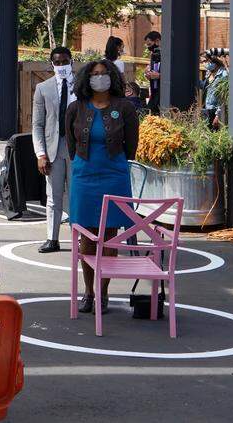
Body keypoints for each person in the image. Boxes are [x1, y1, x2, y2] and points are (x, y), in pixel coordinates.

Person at [65, 59, 139, 315]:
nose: (99, 78)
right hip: (85, 175)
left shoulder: (125, 108)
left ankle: (104, 292)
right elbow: (72, 146)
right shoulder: (76, 108)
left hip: (114, 175)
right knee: (87, 235)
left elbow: (131, 146)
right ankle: (89, 291)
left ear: (112, 77)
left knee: (108, 235)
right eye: (95, 74)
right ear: (87, 78)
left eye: (104, 73)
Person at [31, 46, 75, 254]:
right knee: (53, 196)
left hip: (78, 150)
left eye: (65, 61)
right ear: (51, 64)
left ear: (71, 62)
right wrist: (40, 153)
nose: (61, 66)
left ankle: (81, 237)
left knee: (78, 195)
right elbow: (37, 124)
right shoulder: (43, 88)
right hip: (52, 149)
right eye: (57, 62)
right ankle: (52, 238)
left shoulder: (82, 86)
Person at [201, 55, 228, 129]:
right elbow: (205, 88)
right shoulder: (209, 73)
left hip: (216, 111)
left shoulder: (223, 74)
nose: (204, 64)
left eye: (205, 61)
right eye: (202, 61)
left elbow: (223, 97)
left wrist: (217, 115)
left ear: (214, 62)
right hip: (207, 109)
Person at [144, 30, 162, 115]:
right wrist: (148, 73)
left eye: (150, 44)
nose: (149, 47)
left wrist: (160, 76)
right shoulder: (154, 54)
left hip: (163, 93)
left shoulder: (167, 54)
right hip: (154, 92)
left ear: (157, 41)